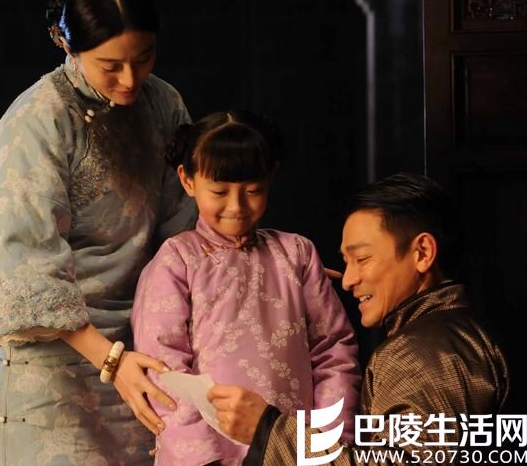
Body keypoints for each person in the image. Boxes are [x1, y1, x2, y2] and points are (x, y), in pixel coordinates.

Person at [0, 0, 196, 464]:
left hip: (144, 351)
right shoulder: (38, 119)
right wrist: (112, 360)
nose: (130, 79)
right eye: (110, 65)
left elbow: (184, 234)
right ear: (66, 44)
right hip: (53, 366)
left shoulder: (164, 104)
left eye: (144, 57)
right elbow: (27, 270)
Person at [208, 173, 509, 465]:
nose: (348, 279)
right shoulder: (454, 335)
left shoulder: (420, 353)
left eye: (362, 259)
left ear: (422, 252)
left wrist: (268, 431)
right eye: (346, 262)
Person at [131, 110, 361, 465]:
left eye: (253, 190)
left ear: (271, 177)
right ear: (188, 181)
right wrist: (203, 460)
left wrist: (324, 445)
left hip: (289, 453)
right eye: (219, 191)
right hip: (210, 458)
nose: (236, 206)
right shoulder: (178, 260)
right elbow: (165, 372)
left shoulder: (297, 254)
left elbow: (334, 352)